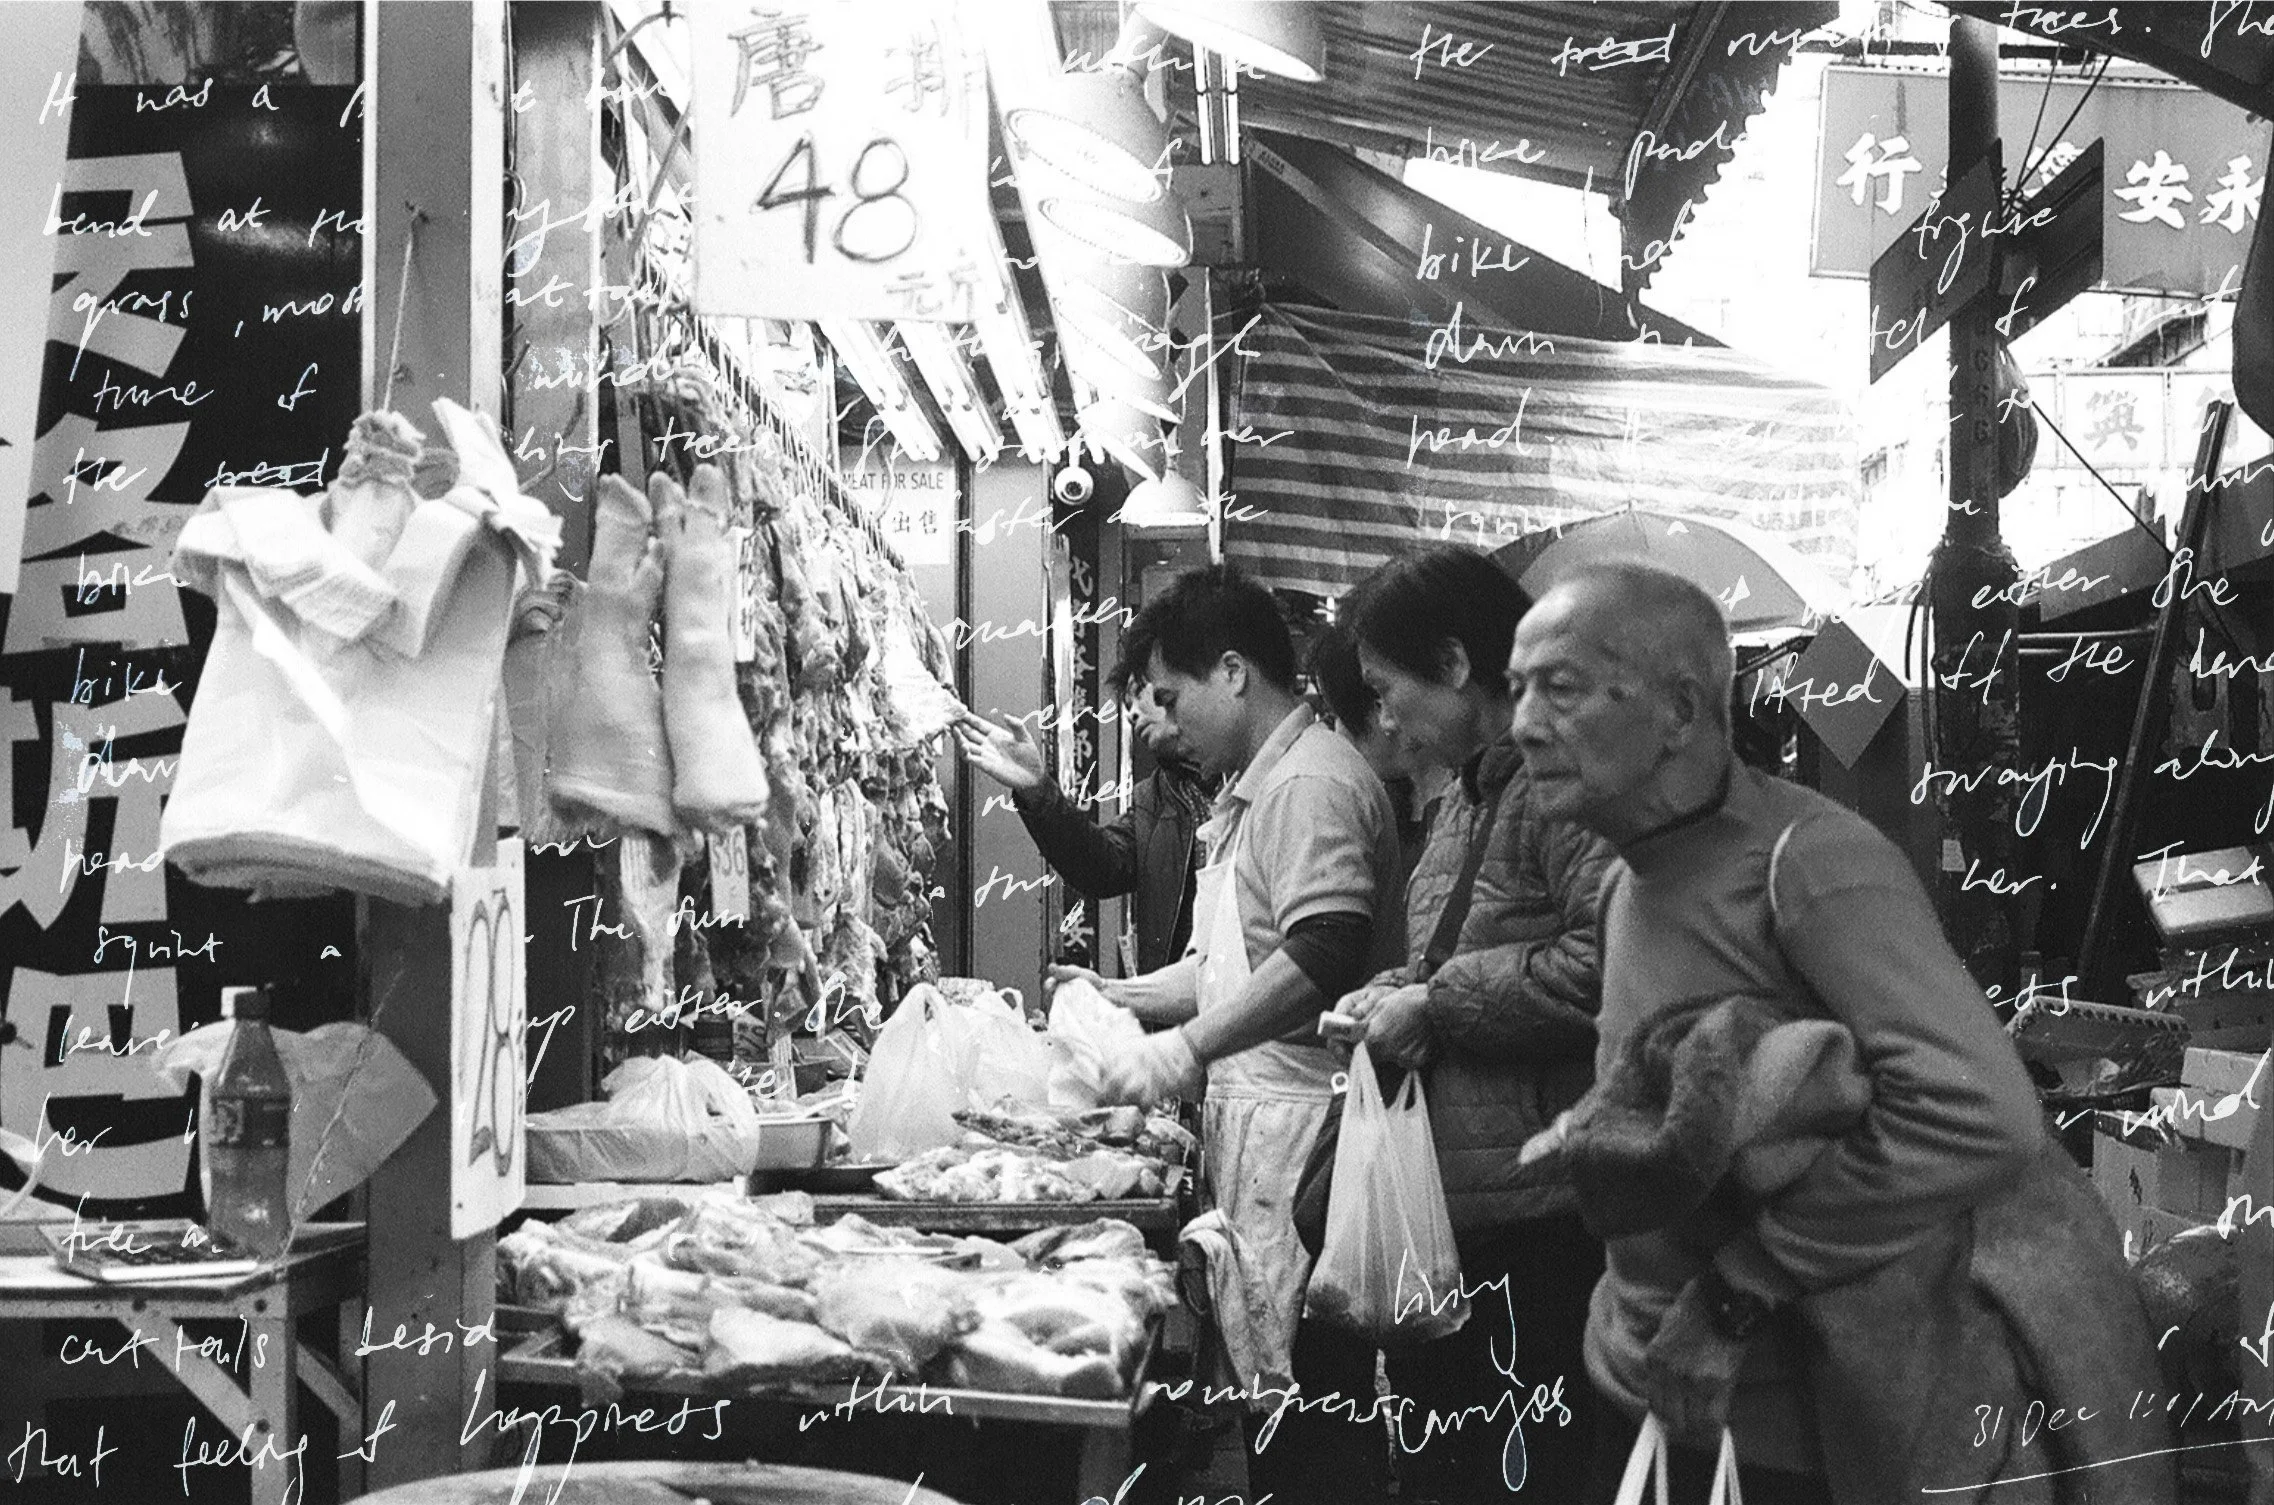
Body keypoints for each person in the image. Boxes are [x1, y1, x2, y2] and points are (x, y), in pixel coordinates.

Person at [1504, 560, 2174, 1505]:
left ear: (1683, 712)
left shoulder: (1808, 861)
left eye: (1561, 689)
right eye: (1517, 688)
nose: (1524, 723)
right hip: (1654, 1387)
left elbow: (1980, 1112)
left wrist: (1740, 1288)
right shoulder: (1627, 880)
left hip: (1786, 1433)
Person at [1079, 564, 1400, 1503]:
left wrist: (1184, 1050)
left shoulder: (1306, 785)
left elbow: (1326, 945)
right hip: (1265, 1132)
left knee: (1313, 1425)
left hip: (1306, 1135)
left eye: (1171, 696)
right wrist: (1120, 995)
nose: (1166, 722)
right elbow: (1234, 966)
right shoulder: (1258, 791)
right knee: (1280, 1419)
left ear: (1232, 671)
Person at [1336, 545, 1612, 1504]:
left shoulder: (1563, 792)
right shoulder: (1465, 795)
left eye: (1388, 687)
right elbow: (1464, 944)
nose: (1387, 717)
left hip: (1542, 1221)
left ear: (1454, 665)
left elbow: (1612, 964)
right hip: (1461, 1214)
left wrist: (1439, 1004)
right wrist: (1395, 994)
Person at [954, 645, 1212, 974]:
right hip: (1180, 1006)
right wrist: (1036, 788)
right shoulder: (1157, 797)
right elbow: (1101, 865)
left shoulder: (1254, 776)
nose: (1132, 714)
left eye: (1140, 692)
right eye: (1127, 706)